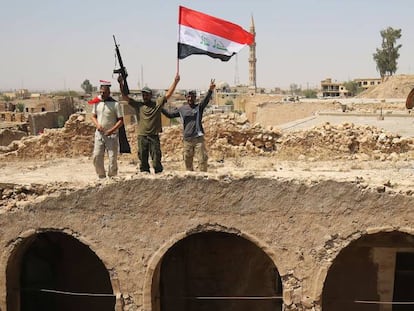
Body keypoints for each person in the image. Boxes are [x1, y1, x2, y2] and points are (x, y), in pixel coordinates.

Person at [118, 74, 180, 174]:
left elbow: (168, 94)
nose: (145, 96)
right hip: (142, 136)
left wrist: (175, 82)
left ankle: (159, 177)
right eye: (143, 95)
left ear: (150, 95)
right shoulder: (138, 105)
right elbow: (125, 97)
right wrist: (121, 84)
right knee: (143, 160)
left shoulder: (157, 104)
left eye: (147, 94)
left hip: (153, 136)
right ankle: (144, 178)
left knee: (156, 161)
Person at [162, 79, 216, 172]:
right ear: (186, 98)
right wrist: (160, 108)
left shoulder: (199, 107)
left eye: (192, 97)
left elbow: (206, 100)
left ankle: (203, 179)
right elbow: (170, 115)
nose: (190, 99)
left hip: (198, 138)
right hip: (187, 139)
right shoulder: (182, 109)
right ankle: (190, 178)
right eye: (188, 97)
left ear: (195, 98)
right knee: (187, 161)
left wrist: (210, 90)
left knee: (202, 159)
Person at [90, 81, 124, 179]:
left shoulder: (115, 104)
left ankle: (112, 177)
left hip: (112, 135)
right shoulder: (97, 103)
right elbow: (93, 116)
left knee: (112, 158)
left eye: (104, 92)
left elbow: (121, 121)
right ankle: (101, 176)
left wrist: (111, 130)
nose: (102, 94)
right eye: (100, 92)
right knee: (97, 156)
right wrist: (97, 125)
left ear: (109, 92)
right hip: (99, 134)